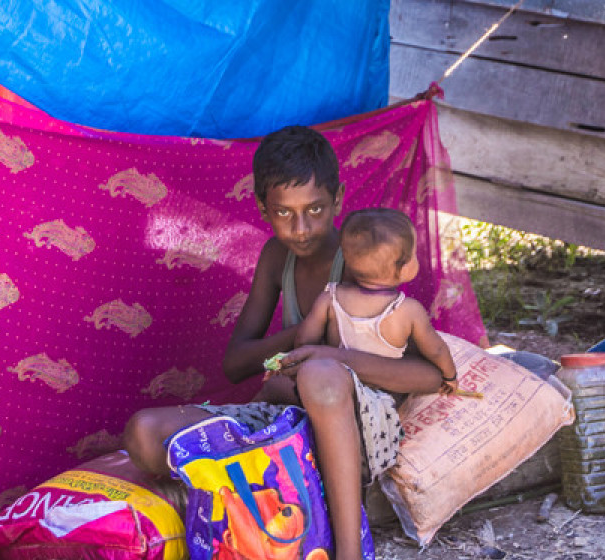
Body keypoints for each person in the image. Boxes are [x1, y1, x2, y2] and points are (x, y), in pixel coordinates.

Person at [123, 125, 444, 560]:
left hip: (356, 425)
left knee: (319, 376)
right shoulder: (277, 258)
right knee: (144, 433)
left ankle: (349, 551)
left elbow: (428, 375)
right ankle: (266, 499)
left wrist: (326, 353)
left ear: (338, 199)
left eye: (315, 209)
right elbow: (236, 363)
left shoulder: (360, 258)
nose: (301, 227)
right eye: (284, 213)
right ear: (262, 208)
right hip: (287, 419)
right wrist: (304, 333)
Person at [283, 208, 458, 399]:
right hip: (384, 398)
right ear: (404, 268)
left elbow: (303, 341)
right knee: (433, 377)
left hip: (341, 389)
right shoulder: (408, 309)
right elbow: (436, 350)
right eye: (414, 254)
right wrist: (450, 376)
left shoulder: (329, 298)